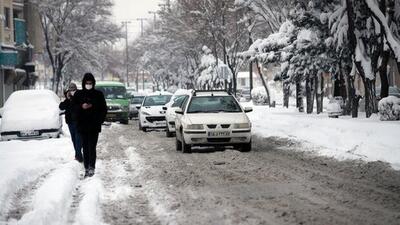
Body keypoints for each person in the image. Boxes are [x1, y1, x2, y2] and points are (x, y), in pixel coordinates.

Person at [74, 73, 107, 178]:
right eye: (87, 83)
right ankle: (86, 167)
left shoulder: (98, 94)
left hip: (94, 126)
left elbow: (103, 109)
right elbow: (73, 108)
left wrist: (99, 120)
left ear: (93, 83)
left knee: (92, 147)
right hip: (82, 126)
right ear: (84, 83)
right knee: (85, 147)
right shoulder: (78, 94)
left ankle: (92, 167)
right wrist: (81, 106)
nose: (88, 85)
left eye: (90, 83)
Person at [59, 83, 83, 162]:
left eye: (74, 90)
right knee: (74, 139)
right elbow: (61, 106)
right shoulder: (68, 98)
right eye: (71, 90)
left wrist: (73, 99)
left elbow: (79, 106)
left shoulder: (80, 96)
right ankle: (78, 154)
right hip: (70, 122)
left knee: (78, 138)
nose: (72, 91)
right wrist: (68, 99)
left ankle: (78, 155)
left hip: (79, 121)